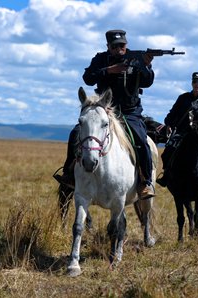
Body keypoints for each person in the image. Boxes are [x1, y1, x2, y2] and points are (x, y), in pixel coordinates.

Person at [54, 29, 156, 199]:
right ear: (108, 46)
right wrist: (109, 70)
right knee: (75, 134)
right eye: (115, 46)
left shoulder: (136, 58)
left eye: (122, 45)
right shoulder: (100, 59)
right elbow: (88, 78)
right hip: (103, 110)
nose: (119, 49)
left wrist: (147, 65)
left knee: (141, 140)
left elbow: (147, 82)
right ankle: (69, 175)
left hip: (130, 112)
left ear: (126, 44)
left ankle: (145, 182)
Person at [156, 72, 198, 188]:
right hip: (182, 133)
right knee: (168, 150)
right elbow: (172, 113)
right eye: (194, 81)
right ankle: (166, 175)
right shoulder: (183, 98)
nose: (196, 84)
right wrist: (169, 124)